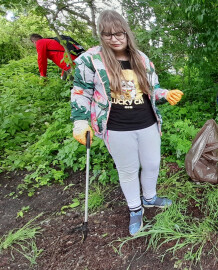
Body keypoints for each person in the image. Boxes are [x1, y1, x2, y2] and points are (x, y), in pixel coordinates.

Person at [70, 10, 184, 236]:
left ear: (126, 32)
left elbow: (151, 89)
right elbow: (81, 92)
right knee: (128, 170)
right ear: (100, 35)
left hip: (147, 122)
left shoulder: (141, 58)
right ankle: (135, 209)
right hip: (116, 126)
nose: (114, 38)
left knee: (152, 164)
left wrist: (166, 94)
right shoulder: (90, 59)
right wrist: (80, 121)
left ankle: (150, 198)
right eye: (107, 34)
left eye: (118, 33)